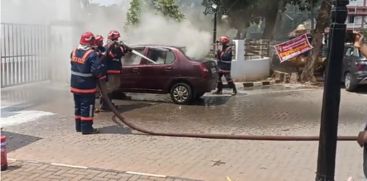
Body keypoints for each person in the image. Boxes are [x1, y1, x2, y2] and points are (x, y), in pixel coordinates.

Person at [70, 32, 106, 134]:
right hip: (87, 87)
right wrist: (100, 65)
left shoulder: (73, 51)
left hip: (75, 86)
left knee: (78, 107)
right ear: (91, 42)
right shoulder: (91, 55)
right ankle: (87, 129)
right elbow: (96, 71)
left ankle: (79, 127)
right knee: (88, 107)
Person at [99, 30, 131, 111]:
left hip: (116, 70)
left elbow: (121, 53)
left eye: (117, 38)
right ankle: (105, 105)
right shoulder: (107, 46)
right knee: (109, 88)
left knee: (114, 87)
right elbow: (112, 55)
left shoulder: (116, 47)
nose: (117, 40)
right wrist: (116, 46)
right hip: (110, 71)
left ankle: (108, 103)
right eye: (115, 38)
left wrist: (126, 48)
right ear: (111, 38)